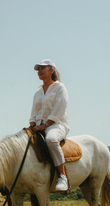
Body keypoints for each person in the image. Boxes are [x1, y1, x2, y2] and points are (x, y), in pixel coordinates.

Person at [29, 59, 70, 192]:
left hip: (56, 125)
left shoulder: (59, 88)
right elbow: (33, 112)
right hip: (39, 126)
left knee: (51, 140)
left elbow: (59, 109)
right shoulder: (37, 92)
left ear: (51, 70)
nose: (39, 71)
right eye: (38, 69)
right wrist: (32, 125)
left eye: (42, 68)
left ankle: (63, 176)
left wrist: (46, 125)